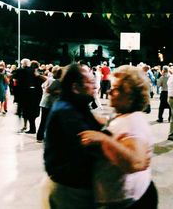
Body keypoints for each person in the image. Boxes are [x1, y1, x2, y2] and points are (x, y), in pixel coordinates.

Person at [79, 65, 158, 209]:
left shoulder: (134, 122)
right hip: (120, 199)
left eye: (116, 89)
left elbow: (136, 163)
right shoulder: (122, 115)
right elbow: (114, 128)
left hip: (126, 203)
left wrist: (104, 139)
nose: (109, 91)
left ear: (130, 95)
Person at [44, 63, 103, 208]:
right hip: (71, 189)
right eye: (89, 83)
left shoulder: (76, 104)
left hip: (75, 185)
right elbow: (88, 145)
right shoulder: (67, 111)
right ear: (75, 88)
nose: (94, 87)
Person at [37, 65, 62, 142]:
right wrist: (59, 91)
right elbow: (48, 89)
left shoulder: (49, 79)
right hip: (49, 103)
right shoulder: (55, 81)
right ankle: (42, 137)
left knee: (44, 120)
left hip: (45, 102)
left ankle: (40, 136)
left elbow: (43, 87)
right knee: (47, 121)